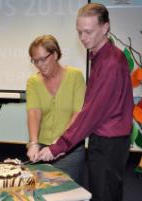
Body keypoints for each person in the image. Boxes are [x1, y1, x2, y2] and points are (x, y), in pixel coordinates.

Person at [38, 3, 134, 201]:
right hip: (108, 139)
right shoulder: (101, 55)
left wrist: (58, 147)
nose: (83, 38)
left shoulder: (110, 62)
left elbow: (91, 113)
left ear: (105, 27)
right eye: (79, 32)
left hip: (109, 143)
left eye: (88, 31)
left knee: (105, 194)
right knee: (104, 191)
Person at [26, 34, 86, 184]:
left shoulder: (75, 76)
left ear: (55, 54)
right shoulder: (33, 81)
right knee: (40, 191)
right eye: (35, 60)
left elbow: (78, 113)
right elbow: (34, 112)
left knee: (65, 192)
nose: (39, 64)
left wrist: (60, 143)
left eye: (43, 59)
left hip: (69, 148)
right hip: (42, 148)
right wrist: (34, 143)